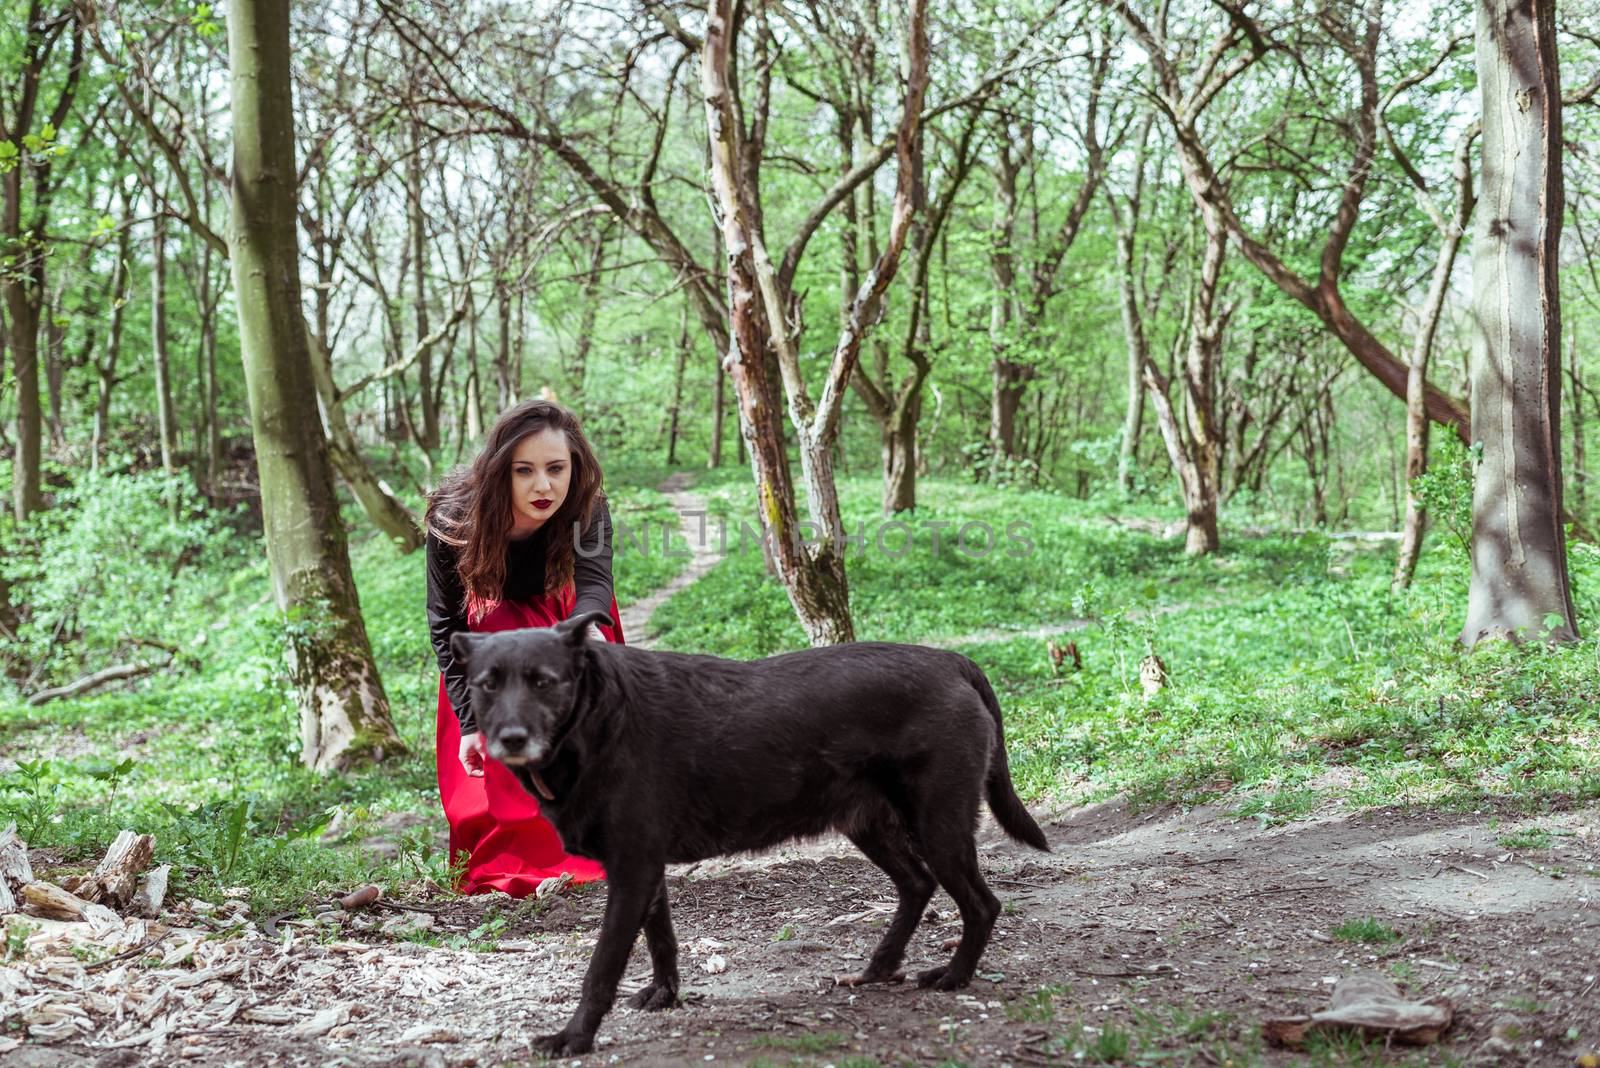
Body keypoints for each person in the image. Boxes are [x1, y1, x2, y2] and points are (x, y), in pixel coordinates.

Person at [425, 399, 624, 895]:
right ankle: (513, 857)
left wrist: (579, 639)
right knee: (494, 777)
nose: (544, 486)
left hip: (571, 624)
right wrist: (471, 720)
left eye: (556, 469)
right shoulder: (455, 517)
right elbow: (444, 618)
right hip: (492, 639)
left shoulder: (586, 505)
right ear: (500, 471)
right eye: (525, 471)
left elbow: (596, 584)